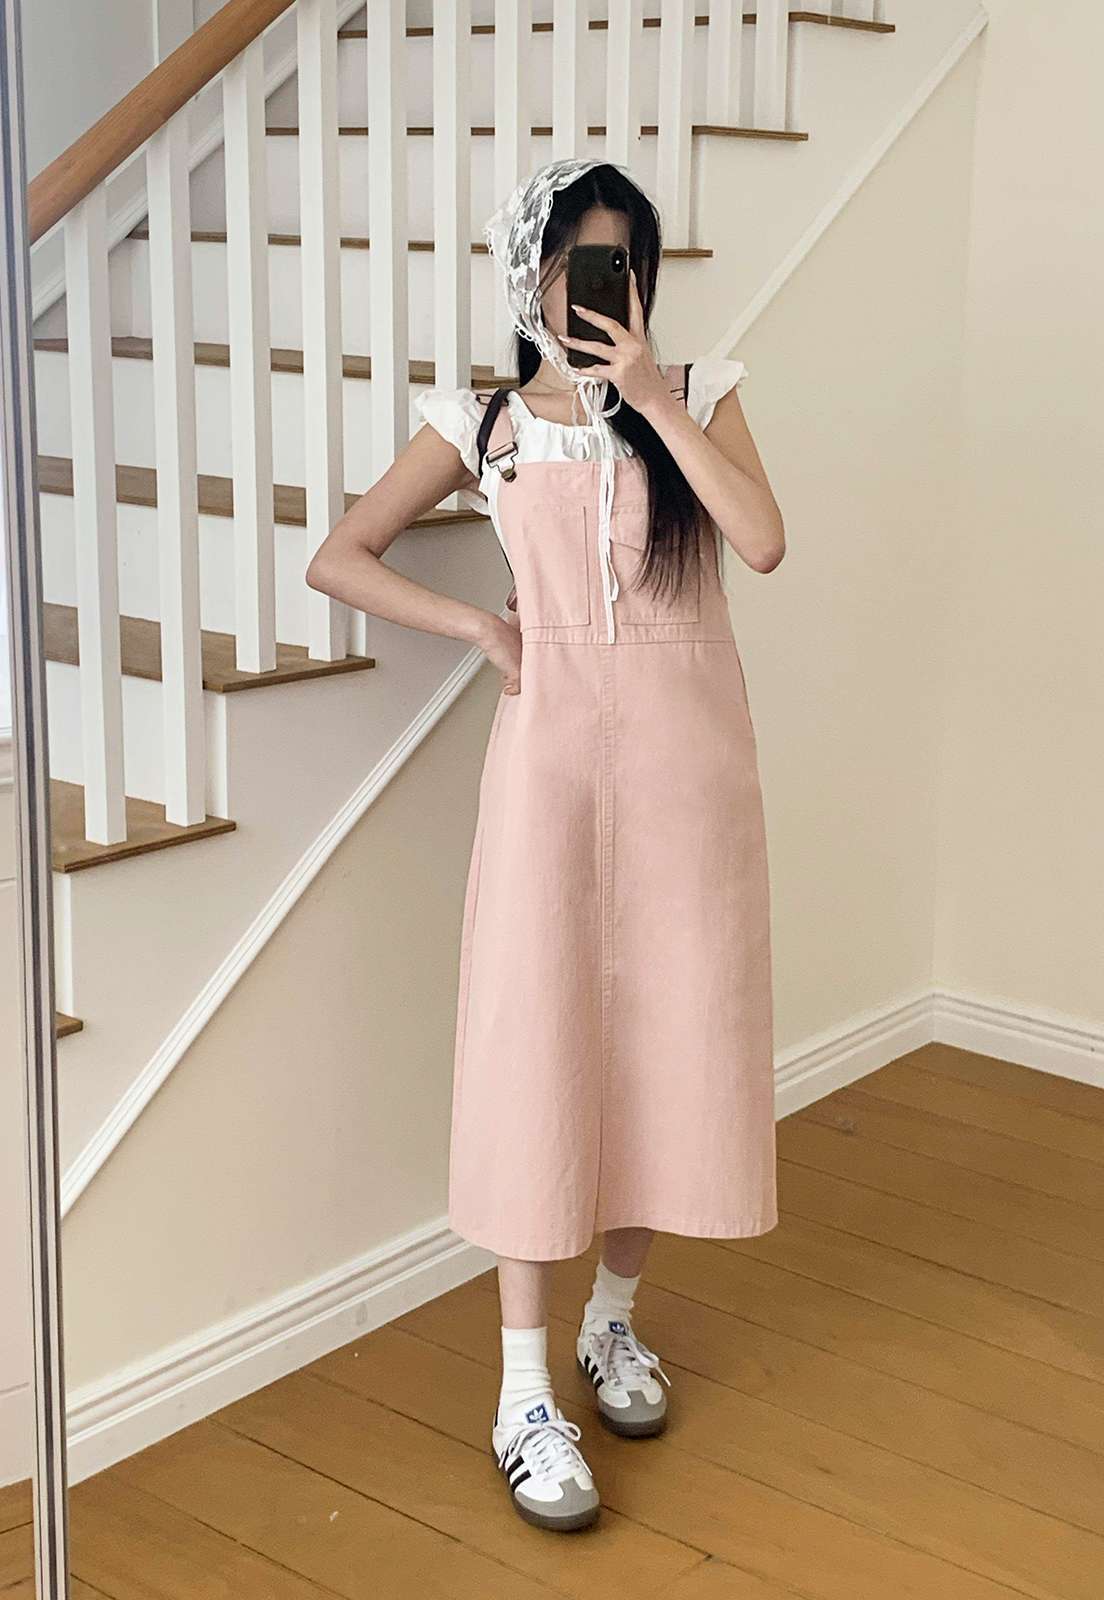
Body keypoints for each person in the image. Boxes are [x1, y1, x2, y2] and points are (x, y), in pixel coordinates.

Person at [306, 156, 785, 1534]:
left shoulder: (701, 394)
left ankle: (610, 1321)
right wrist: (481, 626)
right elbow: (341, 554)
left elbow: (761, 543)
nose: (604, 288)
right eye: (580, 263)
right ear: (532, 276)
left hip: (691, 775)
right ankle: (524, 1391)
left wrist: (651, 398)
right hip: (550, 774)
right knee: (541, 1047)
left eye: (624, 263)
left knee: (671, 1045)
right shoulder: (488, 424)